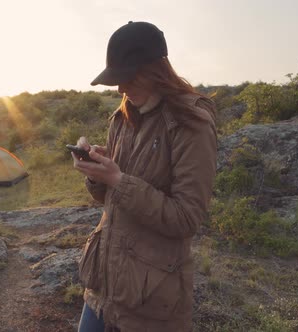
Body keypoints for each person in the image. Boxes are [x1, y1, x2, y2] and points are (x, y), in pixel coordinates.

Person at [72, 21, 217, 332]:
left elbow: (187, 218)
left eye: (126, 78)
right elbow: (109, 201)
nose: (121, 89)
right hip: (103, 287)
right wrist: (99, 174)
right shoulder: (123, 117)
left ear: (153, 71)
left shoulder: (191, 123)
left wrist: (119, 181)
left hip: (150, 298)